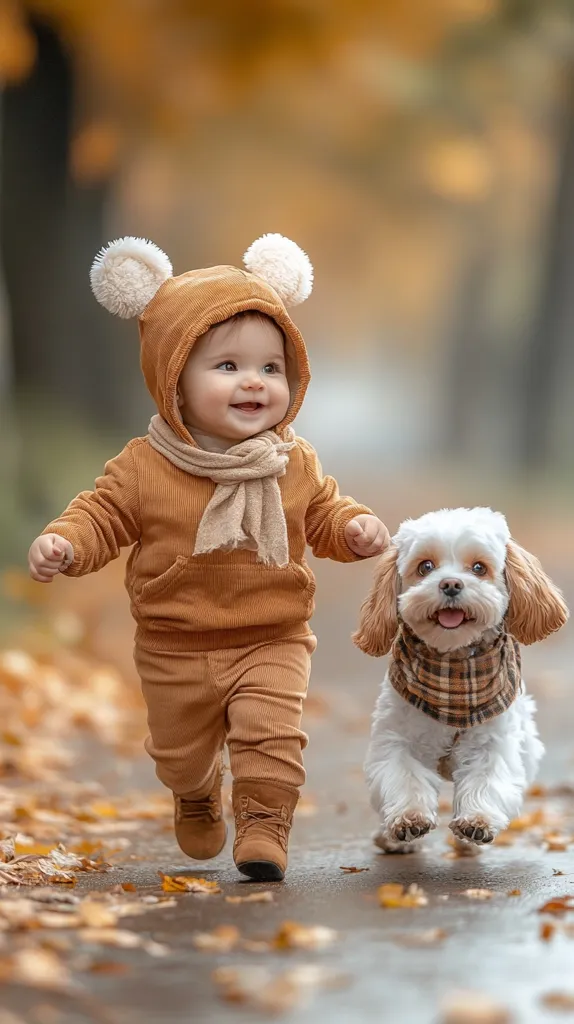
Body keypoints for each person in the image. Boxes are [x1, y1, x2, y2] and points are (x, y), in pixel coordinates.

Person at [28, 232, 390, 881]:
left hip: (271, 634)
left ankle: (263, 824)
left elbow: (324, 512)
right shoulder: (146, 467)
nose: (253, 382)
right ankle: (195, 793)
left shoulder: (292, 461)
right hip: (176, 642)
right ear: (174, 379)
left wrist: (354, 527)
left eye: (270, 368)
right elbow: (102, 514)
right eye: (227, 367)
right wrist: (67, 542)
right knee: (179, 752)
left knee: (271, 739)